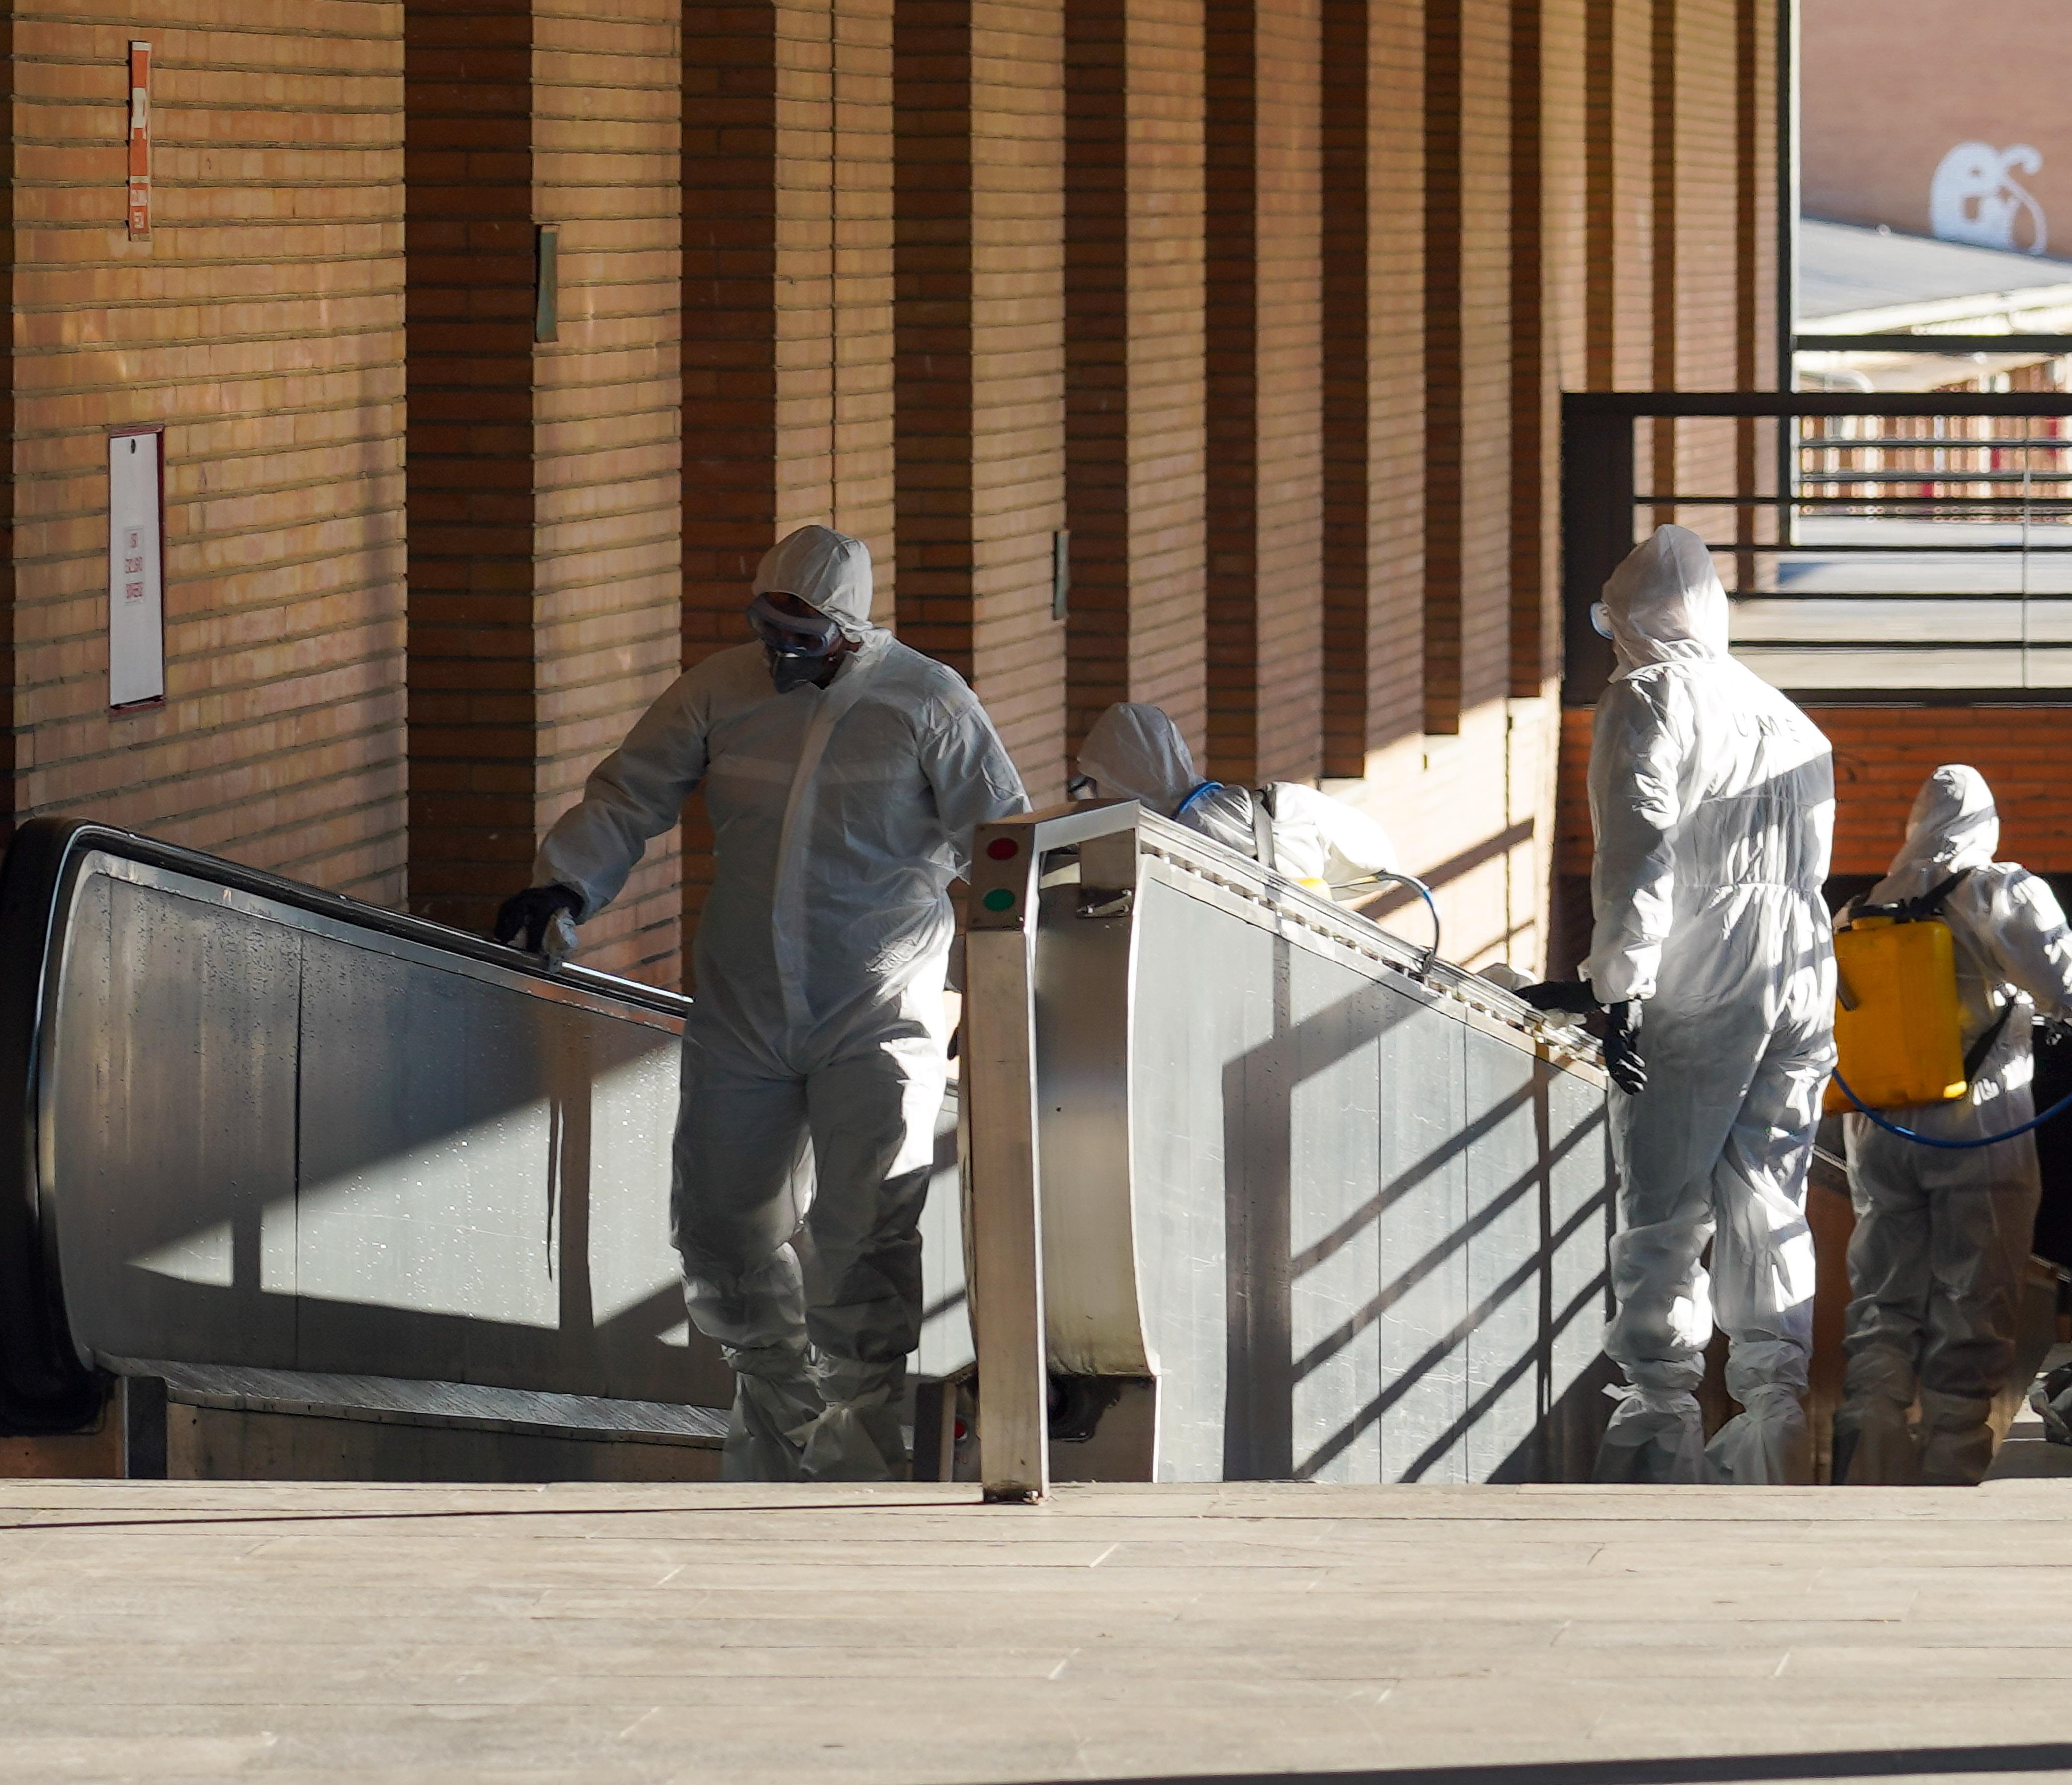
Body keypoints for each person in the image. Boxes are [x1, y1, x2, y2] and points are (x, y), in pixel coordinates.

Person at [493, 524, 1028, 1482]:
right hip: (745, 1005)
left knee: (864, 1229)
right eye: (768, 623)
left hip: (879, 1004)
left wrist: (1005, 988)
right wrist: (564, 884)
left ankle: (859, 1452)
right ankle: (780, 1423)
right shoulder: (719, 690)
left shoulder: (929, 703)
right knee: (720, 1226)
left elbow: (1004, 847)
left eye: (803, 631)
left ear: (852, 630)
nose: (781, 648)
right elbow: (630, 793)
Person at [1523, 524, 1839, 1485]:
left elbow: (1639, 849)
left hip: (1706, 961)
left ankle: (1659, 1426)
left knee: (1665, 1201)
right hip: (1803, 960)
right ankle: (1774, 1426)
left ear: (1628, 616)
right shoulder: (1788, 718)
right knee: (1770, 1198)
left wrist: (1618, 985)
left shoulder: (1651, 695)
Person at [1831, 764, 2072, 1488]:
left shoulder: (1858, 908)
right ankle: (1951, 1466)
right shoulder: (1994, 889)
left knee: (1882, 1298)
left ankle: (1869, 1461)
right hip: (1976, 1125)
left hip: (1879, 1130)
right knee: (1974, 1294)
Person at [1070, 700, 1401, 894]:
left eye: (1096, 783)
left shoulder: (1191, 834)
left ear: (1122, 780)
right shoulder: (1263, 808)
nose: (1095, 795)